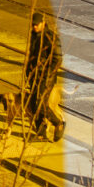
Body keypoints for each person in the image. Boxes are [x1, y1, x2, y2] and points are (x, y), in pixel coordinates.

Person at [23, 12, 65, 142]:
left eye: (37, 25)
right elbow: (32, 55)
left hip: (46, 77)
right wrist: (27, 71)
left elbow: (57, 59)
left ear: (43, 23)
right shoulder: (34, 35)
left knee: (41, 104)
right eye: (33, 25)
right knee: (33, 104)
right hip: (34, 74)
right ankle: (41, 132)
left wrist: (48, 74)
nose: (35, 27)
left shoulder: (50, 37)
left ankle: (58, 123)